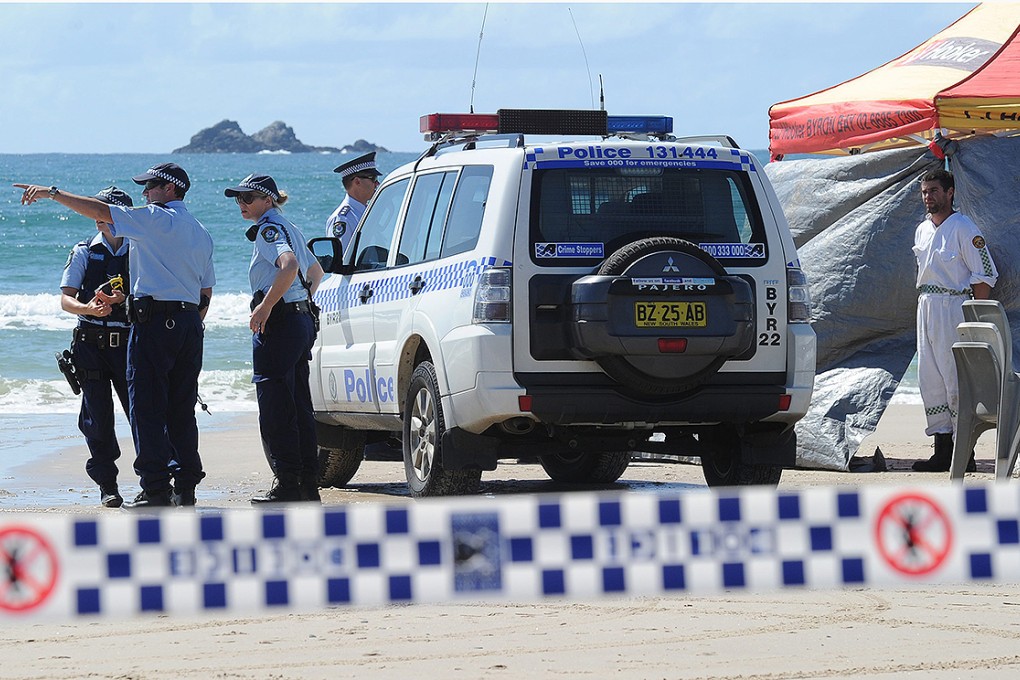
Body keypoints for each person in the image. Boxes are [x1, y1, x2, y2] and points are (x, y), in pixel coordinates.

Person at [16, 163, 215, 508]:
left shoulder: (156, 217)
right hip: (188, 325)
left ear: (170, 190)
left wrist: (52, 193)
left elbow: (101, 210)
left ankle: (154, 490)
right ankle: (185, 487)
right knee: (181, 409)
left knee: (147, 409)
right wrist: (187, 324)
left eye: (150, 186)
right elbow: (206, 291)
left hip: (154, 325)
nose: (144, 193)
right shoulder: (199, 230)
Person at [225, 174, 324, 503]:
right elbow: (316, 272)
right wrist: (302, 302)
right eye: (239, 199)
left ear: (267, 200)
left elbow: (290, 264)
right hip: (299, 320)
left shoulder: (270, 229)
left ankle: (287, 484)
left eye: (248, 198)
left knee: (276, 409)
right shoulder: (289, 227)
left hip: (281, 323)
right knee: (298, 406)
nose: (242, 204)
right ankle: (308, 483)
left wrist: (267, 307)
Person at [911, 168, 998, 472]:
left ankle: (965, 455)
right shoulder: (922, 230)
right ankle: (942, 453)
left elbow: (985, 274)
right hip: (926, 306)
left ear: (950, 193)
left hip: (954, 306)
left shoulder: (964, 228)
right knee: (929, 378)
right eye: (924, 192)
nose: (928, 197)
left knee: (955, 380)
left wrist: (974, 318)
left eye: (934, 191)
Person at [59, 186, 134, 508]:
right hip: (91, 343)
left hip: (131, 343)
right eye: (101, 214)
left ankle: (156, 482)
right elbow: (66, 299)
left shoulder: (143, 250)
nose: (104, 220)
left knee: (143, 414)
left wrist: (125, 301)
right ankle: (108, 485)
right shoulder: (84, 252)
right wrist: (88, 309)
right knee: (97, 419)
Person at [324, 151, 382, 252]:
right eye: (373, 179)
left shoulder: (366, 212)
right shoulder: (343, 219)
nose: (377, 183)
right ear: (357, 181)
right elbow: (342, 261)